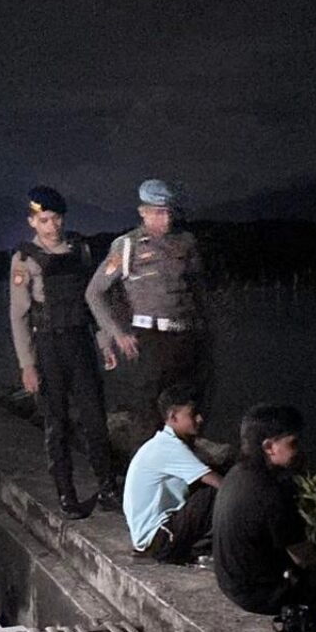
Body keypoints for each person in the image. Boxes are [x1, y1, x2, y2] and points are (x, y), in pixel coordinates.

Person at [9, 185, 120, 519]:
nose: (52, 225)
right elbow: (19, 315)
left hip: (81, 343)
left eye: (56, 218)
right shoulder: (25, 259)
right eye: (44, 220)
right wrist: (27, 365)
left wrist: (104, 342)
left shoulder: (81, 250)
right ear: (33, 222)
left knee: (95, 420)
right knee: (56, 423)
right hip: (48, 346)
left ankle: (107, 488)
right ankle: (66, 492)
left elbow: (91, 303)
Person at [86, 178, 209, 446]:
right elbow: (95, 292)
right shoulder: (127, 245)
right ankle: (141, 482)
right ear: (142, 211)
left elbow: (197, 289)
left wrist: (205, 332)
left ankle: (180, 481)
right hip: (151, 340)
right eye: (157, 212)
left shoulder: (186, 242)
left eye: (168, 211)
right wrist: (116, 333)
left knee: (188, 414)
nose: (164, 219)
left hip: (186, 338)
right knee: (147, 416)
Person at [212, 404, 316, 615]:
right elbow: (304, 557)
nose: (299, 450)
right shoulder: (271, 492)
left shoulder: (236, 474)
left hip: (232, 586)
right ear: (269, 447)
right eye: (293, 443)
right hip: (261, 596)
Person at [123, 385, 222, 561]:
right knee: (218, 494)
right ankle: (210, 550)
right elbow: (218, 483)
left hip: (152, 538)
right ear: (173, 417)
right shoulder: (168, 447)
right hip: (159, 539)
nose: (200, 419)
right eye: (193, 414)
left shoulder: (162, 443)